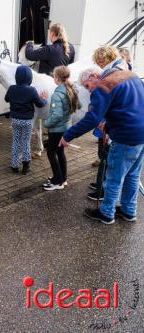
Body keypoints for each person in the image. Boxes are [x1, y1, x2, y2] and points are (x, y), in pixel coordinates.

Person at [60, 65, 144, 224]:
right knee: (133, 175)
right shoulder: (130, 75)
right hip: (141, 135)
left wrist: (67, 136)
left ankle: (106, 213)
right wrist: (109, 125)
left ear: (93, 76)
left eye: (87, 86)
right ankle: (129, 210)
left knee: (114, 177)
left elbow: (92, 118)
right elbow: (129, 107)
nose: (89, 90)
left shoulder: (103, 86)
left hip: (126, 136)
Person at [25, 23, 76, 159]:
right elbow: (69, 64)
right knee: (57, 111)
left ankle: (49, 139)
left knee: (43, 110)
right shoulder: (70, 47)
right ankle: (55, 136)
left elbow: (30, 55)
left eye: (49, 33)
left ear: (53, 34)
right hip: (62, 85)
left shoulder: (49, 49)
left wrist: (29, 43)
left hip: (48, 84)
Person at [87, 45, 128, 201]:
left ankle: (103, 196)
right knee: (106, 157)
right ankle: (101, 186)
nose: (99, 65)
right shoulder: (121, 67)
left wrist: (103, 119)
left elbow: (111, 99)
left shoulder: (114, 71)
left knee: (110, 161)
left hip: (117, 126)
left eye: (100, 61)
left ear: (106, 58)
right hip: (121, 124)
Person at [5, 65, 48, 175]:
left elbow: (6, 99)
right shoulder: (32, 90)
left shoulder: (11, 88)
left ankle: (14, 166)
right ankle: (26, 167)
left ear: (17, 77)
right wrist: (44, 99)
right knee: (25, 143)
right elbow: (40, 104)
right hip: (27, 121)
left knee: (16, 142)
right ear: (30, 78)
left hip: (15, 120)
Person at [42, 66, 78, 191]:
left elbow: (56, 115)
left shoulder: (57, 94)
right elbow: (79, 105)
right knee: (60, 152)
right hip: (66, 127)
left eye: (54, 76)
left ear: (57, 78)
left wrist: (46, 124)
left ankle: (57, 181)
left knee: (51, 152)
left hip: (56, 130)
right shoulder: (71, 90)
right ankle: (63, 178)